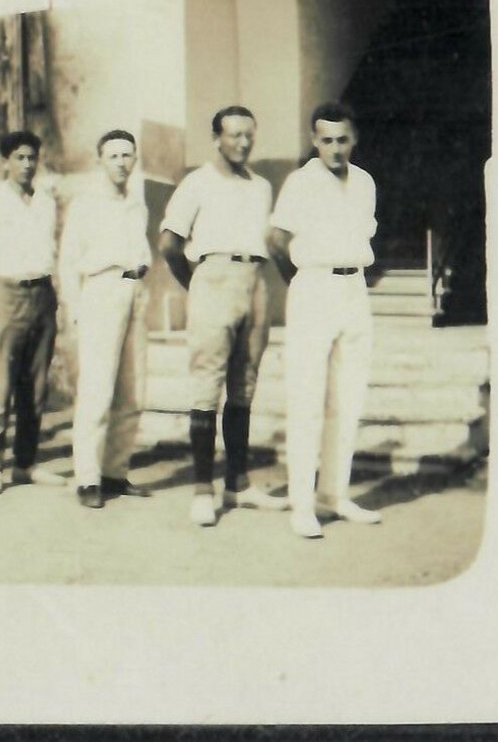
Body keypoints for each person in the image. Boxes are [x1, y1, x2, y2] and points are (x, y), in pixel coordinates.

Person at [157, 106, 289, 526]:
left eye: (249, 134)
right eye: (233, 135)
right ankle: (202, 489)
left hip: (255, 280)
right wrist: (195, 283)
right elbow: (168, 244)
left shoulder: (262, 187)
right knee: (207, 386)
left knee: (244, 383)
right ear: (216, 138)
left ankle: (238, 483)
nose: (243, 143)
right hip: (212, 278)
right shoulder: (197, 182)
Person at [268, 101, 382, 539]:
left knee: (347, 399)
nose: (336, 149)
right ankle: (302, 503)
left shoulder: (366, 182)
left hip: (354, 288)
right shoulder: (301, 182)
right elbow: (276, 239)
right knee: (307, 399)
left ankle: (335, 494)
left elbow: (363, 236)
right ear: (315, 141)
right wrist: (300, 280)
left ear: (354, 139)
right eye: (327, 140)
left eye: (343, 140)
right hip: (313, 286)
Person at [60, 130, 152, 509]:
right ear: (100, 161)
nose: (120, 162)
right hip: (100, 291)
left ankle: (115, 471)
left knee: (133, 390)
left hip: (135, 291)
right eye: (113, 155)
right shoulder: (85, 205)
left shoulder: (137, 203)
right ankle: (87, 478)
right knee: (97, 389)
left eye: (127, 155)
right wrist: (75, 311)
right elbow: (67, 262)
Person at [0, 131, 67, 494]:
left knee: (35, 385)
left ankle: (25, 463)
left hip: (42, 292)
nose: (27, 165)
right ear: (5, 162)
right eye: (19, 158)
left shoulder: (46, 201)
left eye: (31, 158)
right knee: (0, 383)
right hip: (7, 293)